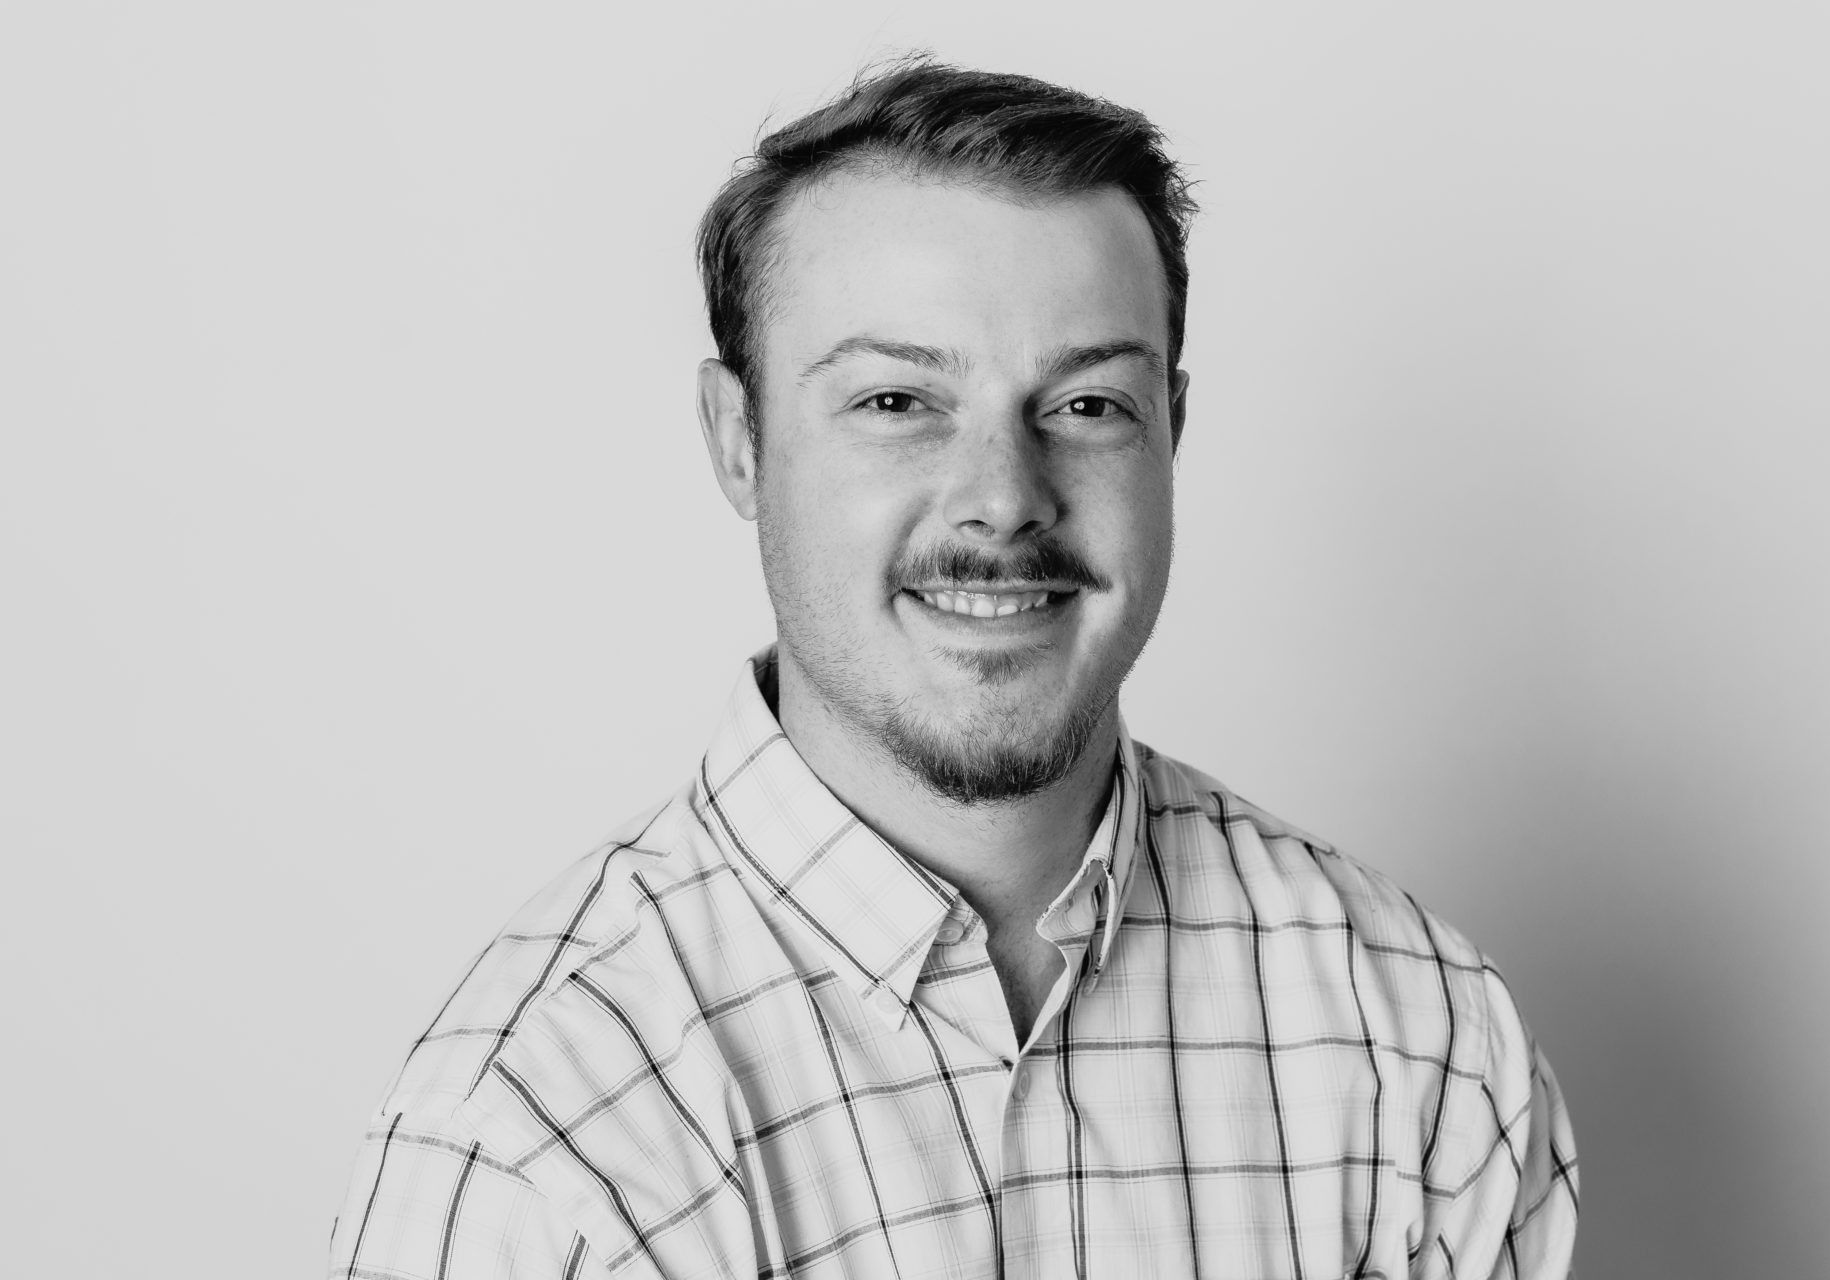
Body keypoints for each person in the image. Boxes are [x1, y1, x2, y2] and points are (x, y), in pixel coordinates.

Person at [329, 58, 1578, 1280]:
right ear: (738, 440)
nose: (1002, 498)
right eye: (896, 402)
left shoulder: (1419, 1035)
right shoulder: (534, 1149)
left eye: (1088, 405)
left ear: (1171, 437)